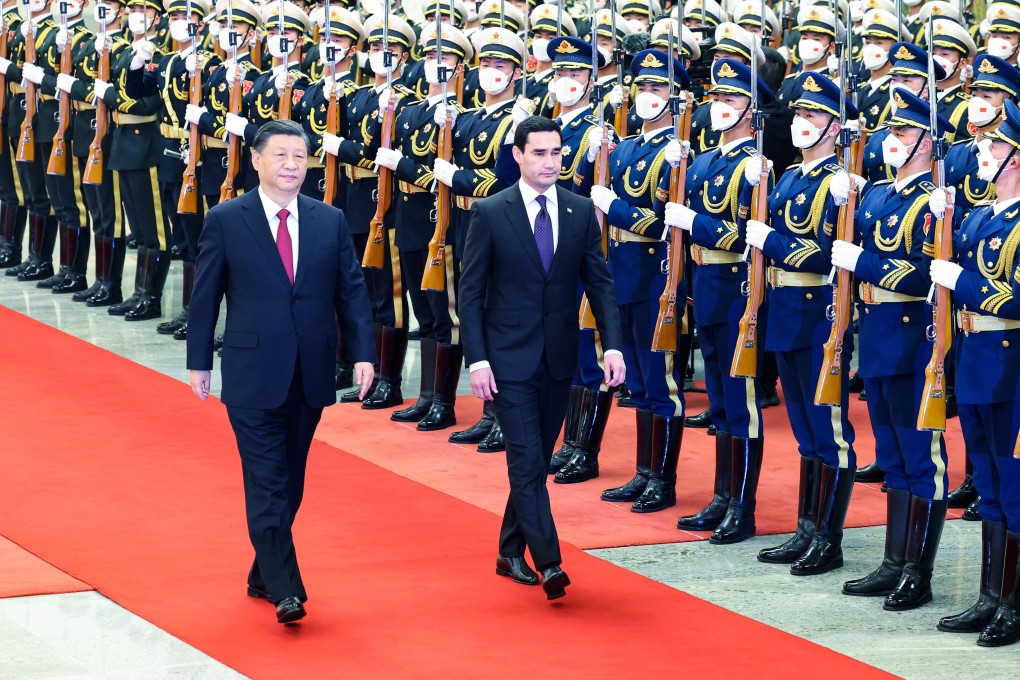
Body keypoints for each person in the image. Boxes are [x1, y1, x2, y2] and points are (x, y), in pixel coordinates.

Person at [186, 120, 376, 624]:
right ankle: (287, 589)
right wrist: (199, 361)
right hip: (251, 373)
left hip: (311, 372)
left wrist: (364, 353)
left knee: (291, 481)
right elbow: (205, 297)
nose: (291, 165)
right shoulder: (227, 219)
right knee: (267, 481)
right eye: (280, 155)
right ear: (256, 160)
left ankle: (261, 573)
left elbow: (351, 291)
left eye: (299, 156)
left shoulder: (329, 219)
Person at [459, 115, 625, 599]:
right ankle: (549, 560)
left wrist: (612, 345)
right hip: (505, 361)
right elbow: (470, 294)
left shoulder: (579, 210)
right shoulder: (491, 212)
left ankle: (508, 550)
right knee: (527, 459)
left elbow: (600, 285)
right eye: (539, 153)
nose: (550, 162)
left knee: (534, 460)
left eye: (556, 153)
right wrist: (477, 360)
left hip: (558, 358)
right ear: (518, 155)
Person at [829, 88, 949, 599]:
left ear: (926, 141)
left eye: (902, 131)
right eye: (890, 130)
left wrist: (865, 263)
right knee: (892, 455)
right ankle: (893, 560)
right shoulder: (878, 193)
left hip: (911, 335)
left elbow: (925, 274)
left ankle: (917, 572)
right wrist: (842, 195)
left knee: (922, 457)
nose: (891, 140)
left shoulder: (933, 200)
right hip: (876, 334)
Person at [750, 72, 858, 568]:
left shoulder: (841, 183)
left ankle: (828, 541)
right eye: (798, 113)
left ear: (834, 126)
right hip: (784, 311)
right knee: (804, 431)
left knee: (829, 430)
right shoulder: (792, 176)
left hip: (818, 315)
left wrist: (771, 241)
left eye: (812, 114)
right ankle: (806, 529)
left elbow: (829, 256)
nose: (800, 121)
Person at [935, 99, 1020, 646]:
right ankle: (991, 595)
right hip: (973, 357)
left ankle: (1013, 603)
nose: (982, 152)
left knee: (1014, 486)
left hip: (1010, 364)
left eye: (994, 145)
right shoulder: (978, 216)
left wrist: (960, 282)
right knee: (987, 483)